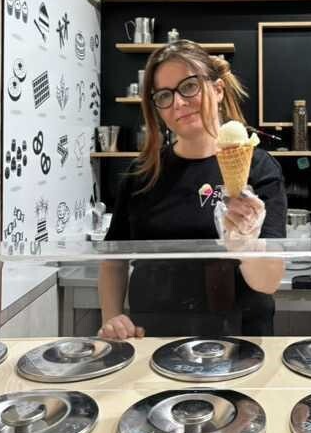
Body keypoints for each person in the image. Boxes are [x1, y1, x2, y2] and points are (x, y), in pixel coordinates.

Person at [98, 40, 287, 339]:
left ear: (218, 89)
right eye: (164, 95)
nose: (178, 103)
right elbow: (113, 260)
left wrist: (246, 246)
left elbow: (269, 282)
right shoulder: (141, 174)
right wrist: (112, 318)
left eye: (188, 87)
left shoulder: (259, 169)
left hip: (239, 340)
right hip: (154, 339)